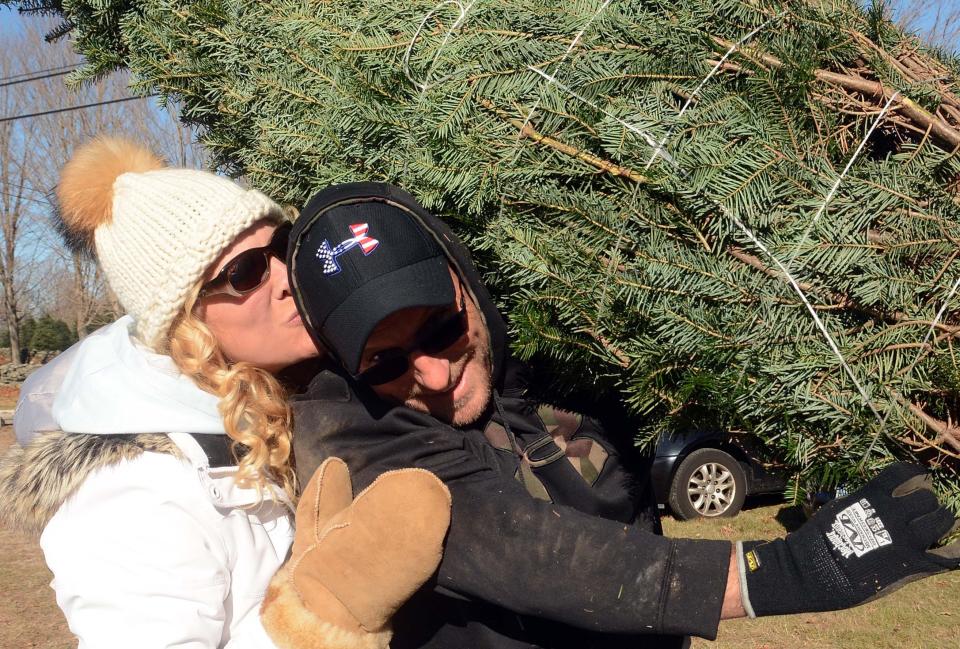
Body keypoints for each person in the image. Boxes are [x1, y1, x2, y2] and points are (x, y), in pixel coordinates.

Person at [285, 181, 960, 649]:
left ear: (465, 277)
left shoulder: (564, 355)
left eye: (438, 327)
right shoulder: (355, 441)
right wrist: (786, 571)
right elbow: (531, 551)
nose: (430, 375)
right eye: (384, 362)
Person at [0, 140, 451, 649]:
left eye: (282, 248)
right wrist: (323, 614)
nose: (286, 278)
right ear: (184, 321)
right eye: (245, 272)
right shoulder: (135, 489)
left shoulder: (289, 406)